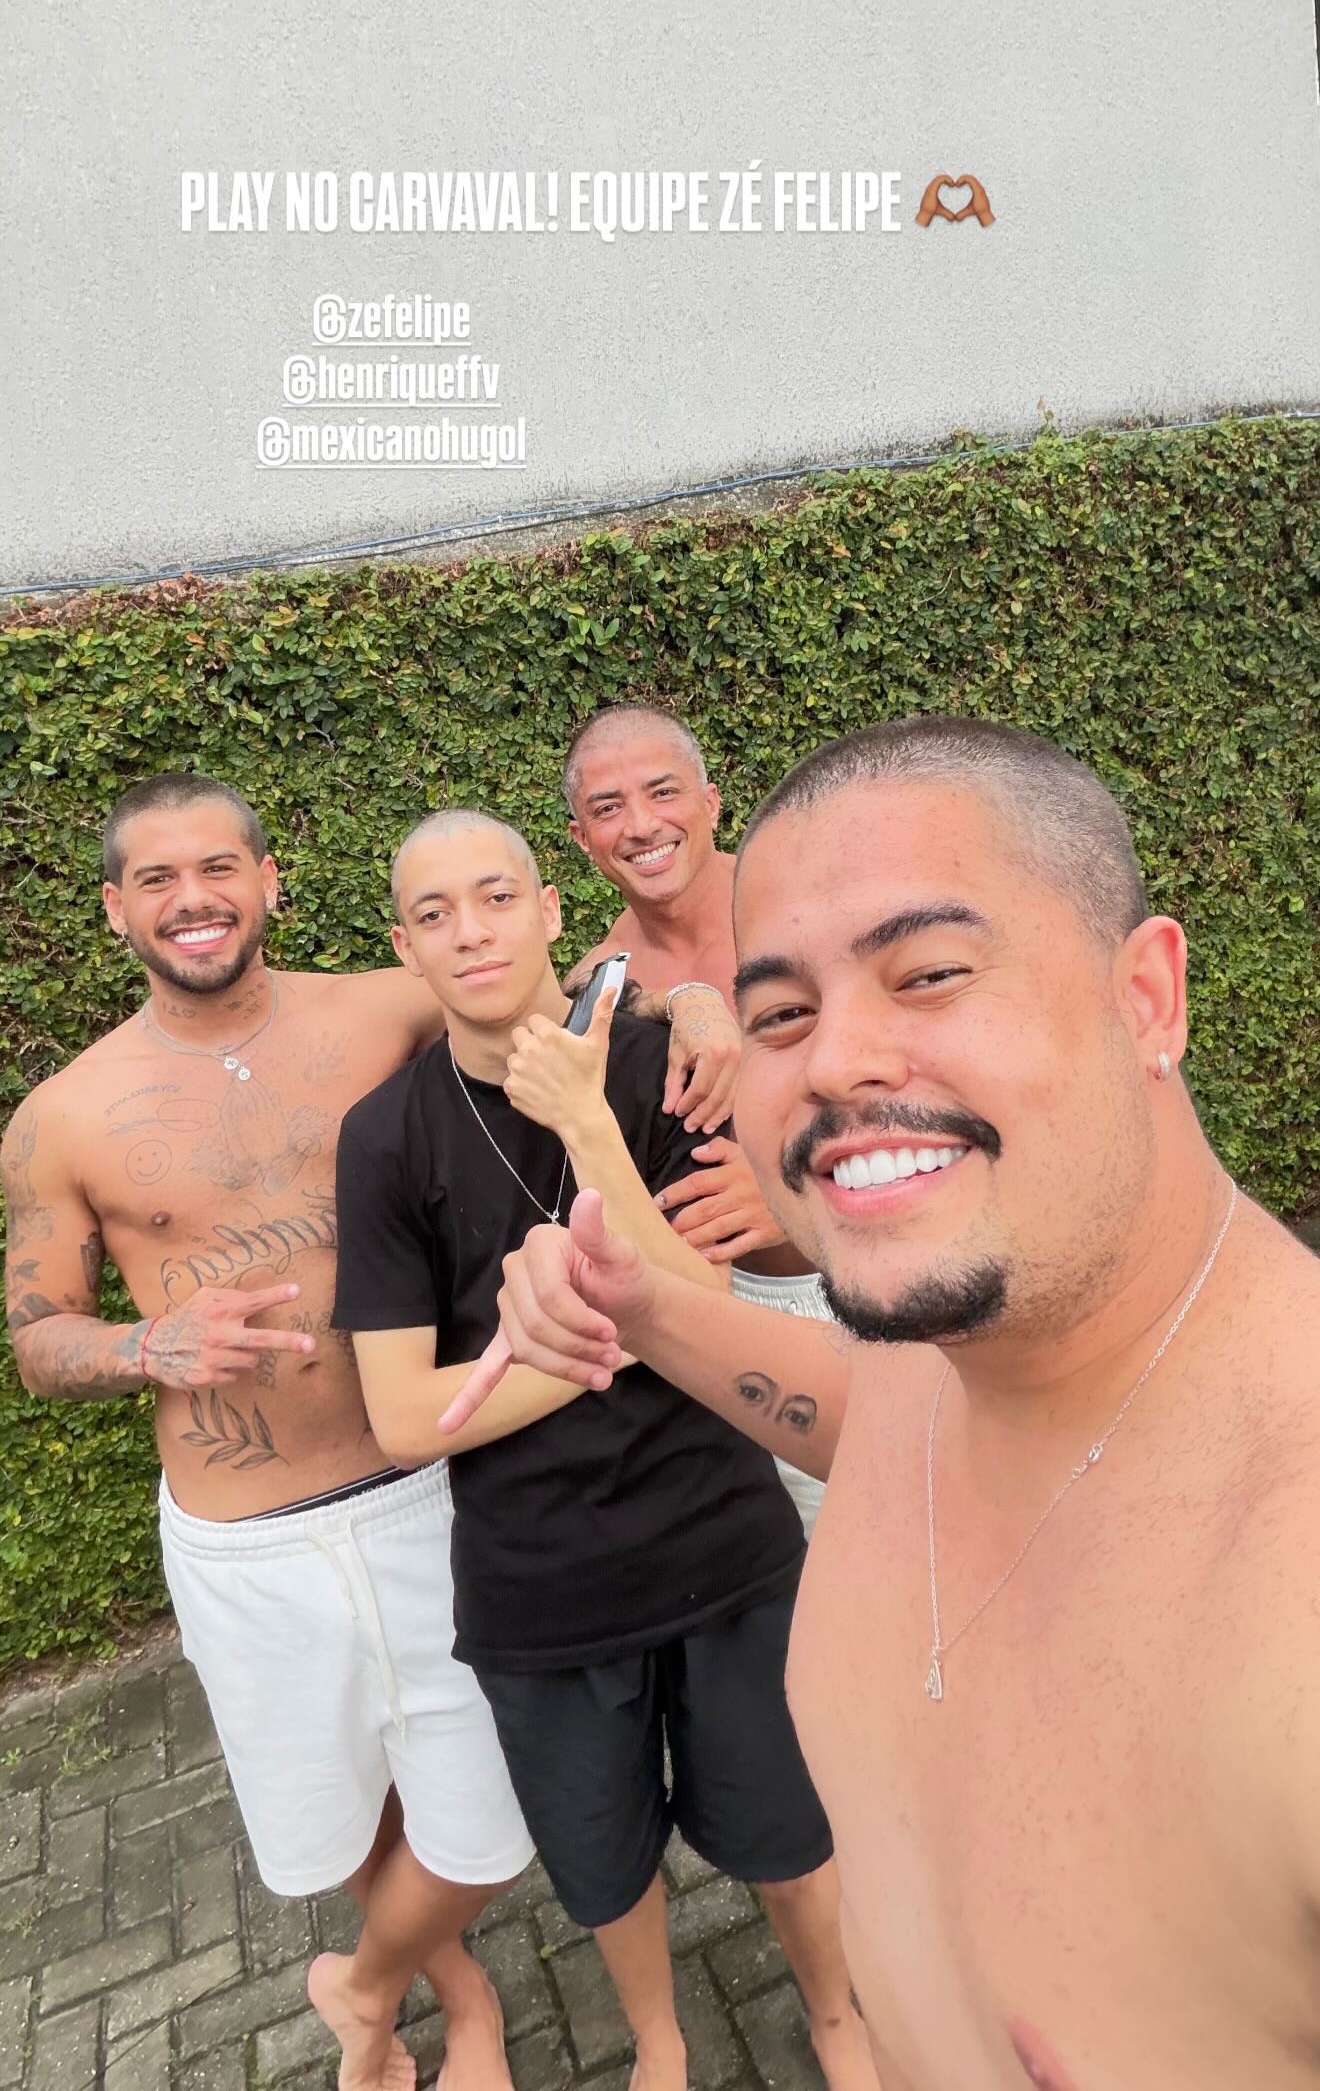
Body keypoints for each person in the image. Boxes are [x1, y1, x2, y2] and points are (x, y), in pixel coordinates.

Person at [443, 716, 1320, 2091]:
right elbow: (871, 1412)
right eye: (780, 1012)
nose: (835, 1061)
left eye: (930, 974)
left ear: (1149, 996)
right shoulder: (965, 1344)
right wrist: (646, 1303)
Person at [0, 770, 733, 2091]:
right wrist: (143, 1344)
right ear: (115, 908)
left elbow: (572, 986)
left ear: (269, 882)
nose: (193, 899)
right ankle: (462, 2004)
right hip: (247, 1538)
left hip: (425, 1487)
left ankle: (363, 1981)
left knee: (486, 1820)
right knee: (343, 1812)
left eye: (218, 867)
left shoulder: (386, 1003)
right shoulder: (62, 1115)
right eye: (157, 878)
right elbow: (38, 1335)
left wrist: (700, 1005)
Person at [332, 810, 880, 2091]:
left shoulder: (660, 1073)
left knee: (791, 1824)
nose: (471, 932)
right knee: (603, 1859)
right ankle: (659, 2039)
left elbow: (709, 1303)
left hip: (724, 1540)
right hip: (543, 1584)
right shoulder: (387, 1137)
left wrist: (585, 1124)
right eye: (434, 914)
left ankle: (837, 2016)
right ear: (406, 949)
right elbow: (405, 1419)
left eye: (496, 897)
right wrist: (623, 1343)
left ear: (547, 913)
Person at [563, 702, 830, 1530]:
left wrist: (796, 1195)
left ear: (711, 802)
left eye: (663, 792)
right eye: (609, 808)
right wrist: (682, 997)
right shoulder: (602, 979)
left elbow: (924, 1078)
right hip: (719, 1325)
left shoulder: (808, 909)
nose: (642, 825)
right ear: (582, 839)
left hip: (859, 1278)